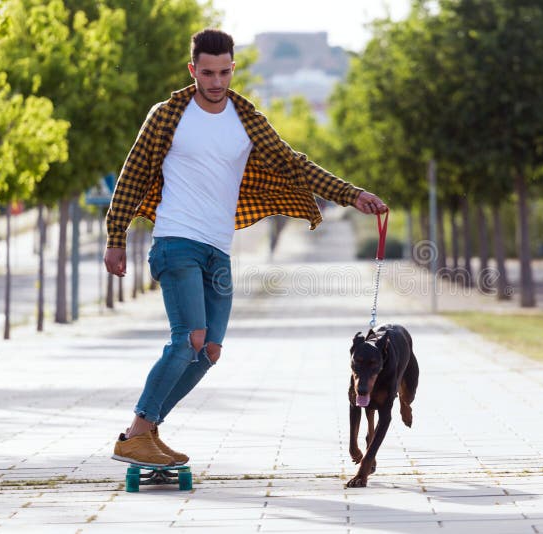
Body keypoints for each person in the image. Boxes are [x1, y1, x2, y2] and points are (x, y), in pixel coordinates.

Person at [104, 28, 388, 466]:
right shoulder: (167, 116)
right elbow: (134, 173)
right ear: (192, 69)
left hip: (217, 249)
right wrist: (115, 236)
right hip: (175, 240)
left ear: (233, 68)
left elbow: (295, 164)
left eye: (223, 72)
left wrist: (351, 195)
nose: (216, 82)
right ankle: (137, 433)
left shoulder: (247, 119)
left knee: (210, 350)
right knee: (189, 340)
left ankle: (147, 430)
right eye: (207, 73)